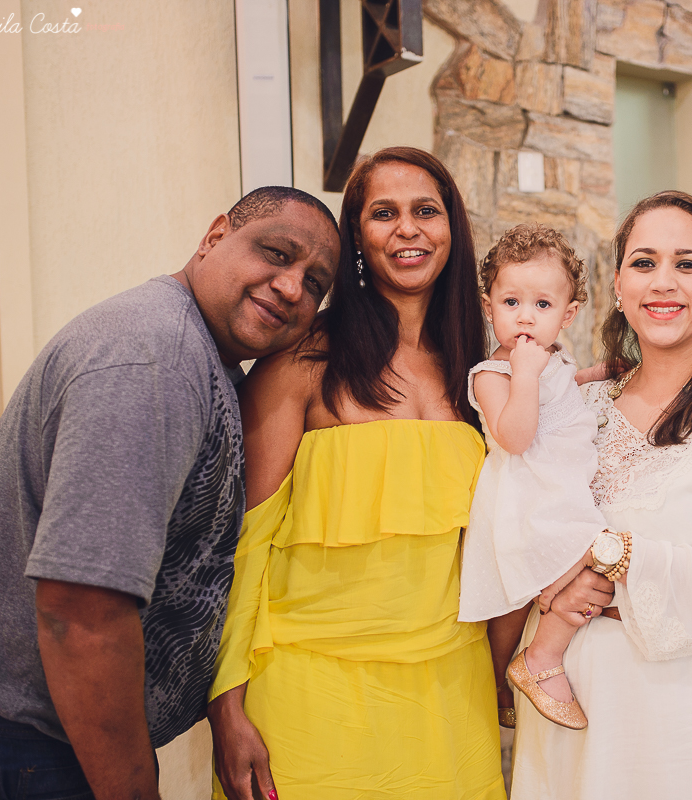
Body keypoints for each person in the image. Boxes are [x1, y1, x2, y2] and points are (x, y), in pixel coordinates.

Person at [0, 187, 341, 800]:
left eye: (315, 282)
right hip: (24, 750)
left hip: (42, 743)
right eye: (276, 253)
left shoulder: (197, 354)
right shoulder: (155, 359)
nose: (292, 287)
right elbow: (82, 609)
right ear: (213, 237)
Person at [207, 147, 505, 800]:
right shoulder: (304, 361)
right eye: (383, 213)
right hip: (309, 689)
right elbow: (240, 546)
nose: (408, 228)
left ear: (451, 229)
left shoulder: (481, 375)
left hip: (448, 690)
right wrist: (225, 706)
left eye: (426, 211)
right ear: (357, 239)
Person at [508, 190, 692, 800]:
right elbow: (515, 515)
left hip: (669, 702)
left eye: (687, 264)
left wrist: (609, 553)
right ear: (617, 284)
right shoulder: (579, 404)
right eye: (644, 263)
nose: (663, 282)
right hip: (561, 692)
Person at [457, 223, 608, 732]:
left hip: (556, 490)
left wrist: (585, 376)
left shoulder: (551, 359)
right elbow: (516, 436)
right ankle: (515, 671)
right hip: (527, 499)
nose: (525, 317)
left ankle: (532, 655)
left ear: (567, 314)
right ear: (488, 305)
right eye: (511, 302)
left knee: (562, 579)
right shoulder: (492, 374)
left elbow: (559, 392)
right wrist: (523, 373)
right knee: (513, 596)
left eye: (543, 306)